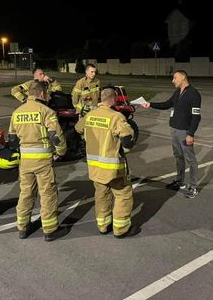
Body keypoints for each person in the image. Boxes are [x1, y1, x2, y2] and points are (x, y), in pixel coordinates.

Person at [7, 81, 68, 241]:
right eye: (47, 93)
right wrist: (61, 152)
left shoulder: (17, 112)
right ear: (42, 94)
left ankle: (22, 227)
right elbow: (55, 136)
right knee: (47, 194)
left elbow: (12, 139)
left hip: (25, 161)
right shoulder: (46, 111)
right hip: (42, 161)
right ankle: (50, 229)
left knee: (26, 192)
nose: (48, 96)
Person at [75, 87, 139, 238]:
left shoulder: (90, 115)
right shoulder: (116, 116)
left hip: (95, 166)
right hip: (112, 167)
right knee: (123, 195)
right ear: (113, 99)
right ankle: (121, 228)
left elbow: (78, 128)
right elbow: (128, 141)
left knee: (101, 195)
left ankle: (103, 226)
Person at [141, 70, 202, 199]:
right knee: (178, 156)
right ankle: (179, 181)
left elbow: (196, 117)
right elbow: (166, 104)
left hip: (185, 132)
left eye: (175, 78)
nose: (172, 80)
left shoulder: (193, 94)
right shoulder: (177, 93)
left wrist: (190, 134)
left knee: (190, 159)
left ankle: (193, 186)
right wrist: (150, 104)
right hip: (174, 130)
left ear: (183, 77)